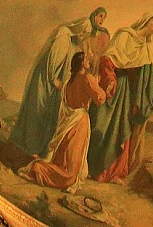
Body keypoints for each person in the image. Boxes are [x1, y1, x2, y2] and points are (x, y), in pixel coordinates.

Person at [22, 37, 119, 190]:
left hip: (67, 122)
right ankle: (39, 168)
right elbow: (99, 99)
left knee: (63, 160)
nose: (90, 60)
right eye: (87, 59)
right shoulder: (87, 78)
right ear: (82, 63)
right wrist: (104, 90)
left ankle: (43, 168)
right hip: (79, 123)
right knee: (71, 174)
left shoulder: (69, 81)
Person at [12, 8, 108, 160]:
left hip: (55, 84)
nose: (83, 36)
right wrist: (53, 79)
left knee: (50, 116)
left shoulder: (74, 41)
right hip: (46, 82)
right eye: (82, 33)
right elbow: (53, 60)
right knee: (39, 112)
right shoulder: (63, 36)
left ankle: (42, 149)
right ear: (78, 29)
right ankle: (31, 148)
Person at [90, 14, 153, 181]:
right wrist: (110, 78)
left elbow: (150, 75)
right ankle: (95, 169)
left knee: (122, 131)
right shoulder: (125, 35)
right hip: (112, 86)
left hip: (127, 93)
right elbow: (107, 59)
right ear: (145, 21)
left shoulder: (145, 48)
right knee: (101, 129)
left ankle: (115, 173)